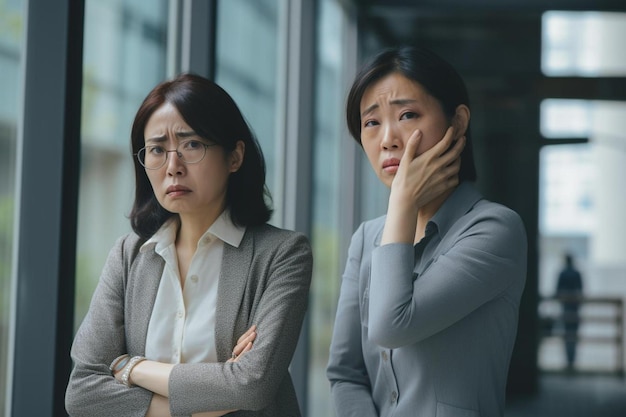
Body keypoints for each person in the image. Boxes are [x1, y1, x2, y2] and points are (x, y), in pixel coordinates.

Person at [65, 73, 313, 417]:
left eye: (191, 144)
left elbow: (252, 386)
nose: (173, 167)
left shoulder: (283, 254)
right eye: (156, 150)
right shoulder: (128, 256)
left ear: (235, 157)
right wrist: (212, 397)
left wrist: (130, 367)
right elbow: (81, 393)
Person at [326, 46, 527, 417]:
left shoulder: (495, 229)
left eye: (407, 115)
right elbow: (345, 374)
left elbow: (391, 326)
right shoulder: (366, 238)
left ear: (459, 121)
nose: (388, 138)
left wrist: (401, 202)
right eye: (371, 122)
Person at [556, 253, 584, 370]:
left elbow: (557, 292)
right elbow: (581, 291)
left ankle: (568, 361)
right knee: (573, 335)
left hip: (566, 308)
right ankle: (572, 361)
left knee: (567, 335)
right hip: (575, 308)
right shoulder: (577, 274)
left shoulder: (562, 274)